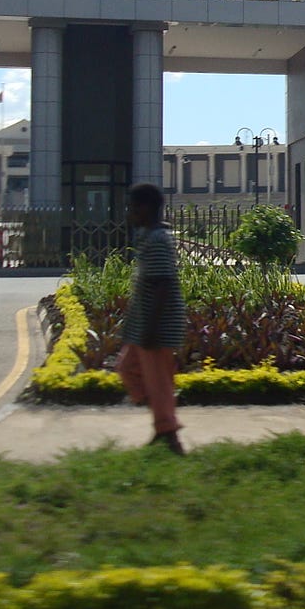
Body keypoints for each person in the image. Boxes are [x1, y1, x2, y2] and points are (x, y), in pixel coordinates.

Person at [116, 182, 188, 455]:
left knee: (156, 380)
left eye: (133, 209)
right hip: (144, 325)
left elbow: (162, 285)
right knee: (128, 369)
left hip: (156, 326)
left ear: (145, 209)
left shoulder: (158, 240)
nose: (129, 214)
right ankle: (164, 415)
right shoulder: (150, 236)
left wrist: (151, 328)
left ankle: (168, 433)